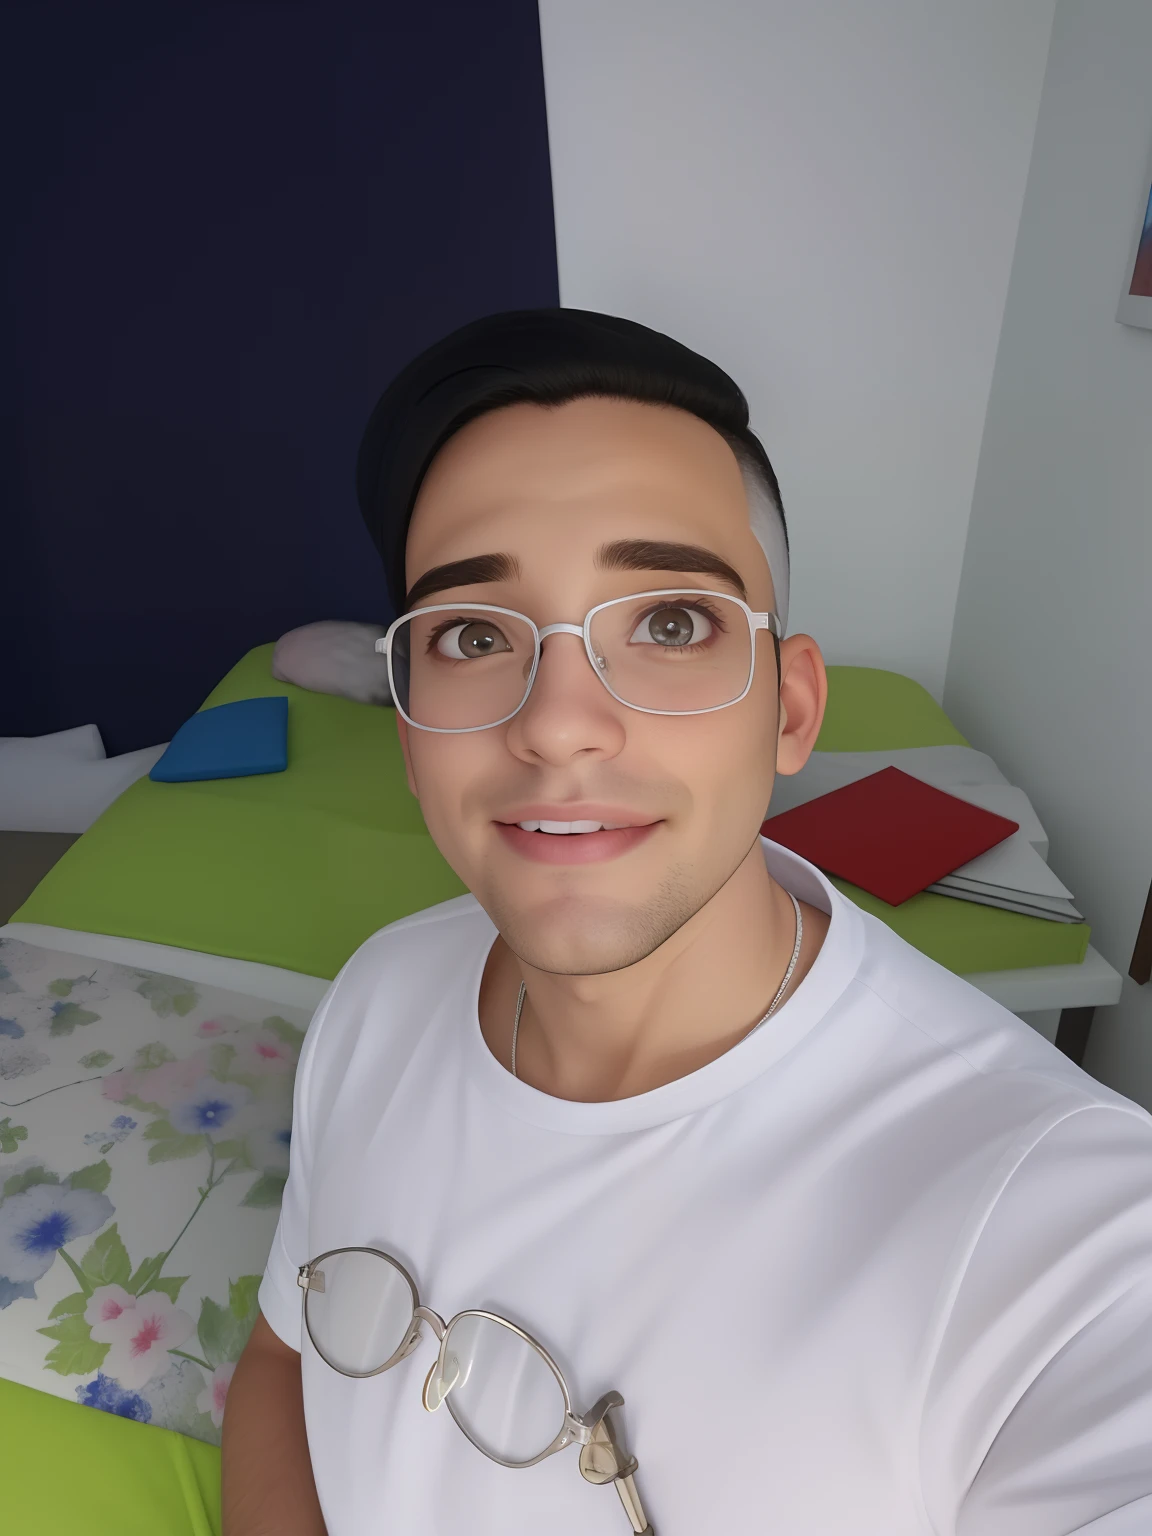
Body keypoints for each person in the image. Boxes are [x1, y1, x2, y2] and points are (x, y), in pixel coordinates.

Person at [222, 310, 1152, 1535]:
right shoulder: (380, 994)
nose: (558, 723)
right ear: (406, 731)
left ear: (792, 708)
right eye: (470, 635)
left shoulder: (1075, 1246)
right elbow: (282, 1367)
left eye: (668, 624)